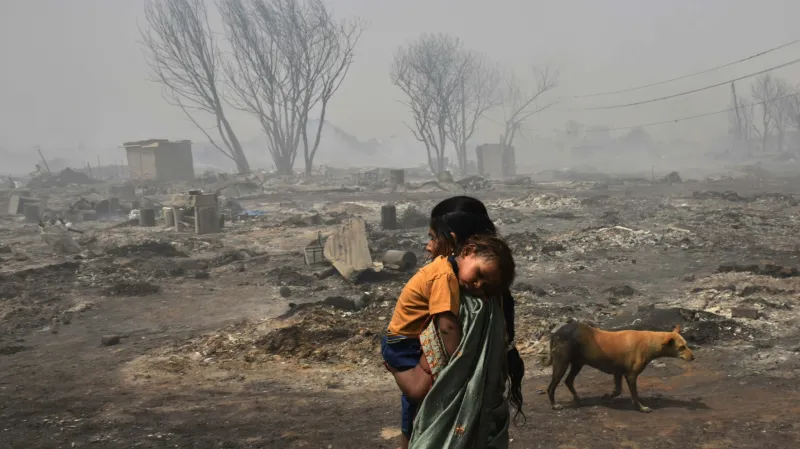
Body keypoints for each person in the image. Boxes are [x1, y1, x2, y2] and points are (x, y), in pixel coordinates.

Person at [382, 230, 515, 449]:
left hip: (416, 338)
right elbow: (447, 325)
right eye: (480, 274)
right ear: (468, 251)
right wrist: (460, 363)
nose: (478, 286)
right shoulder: (444, 276)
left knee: (421, 395)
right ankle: (393, 367)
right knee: (417, 392)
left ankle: (408, 439)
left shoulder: (452, 271)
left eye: (486, 285)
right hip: (402, 342)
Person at [427, 196, 526, 424]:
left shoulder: (456, 283)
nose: (429, 246)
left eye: (433, 237)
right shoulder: (491, 282)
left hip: (455, 390)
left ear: (451, 239)